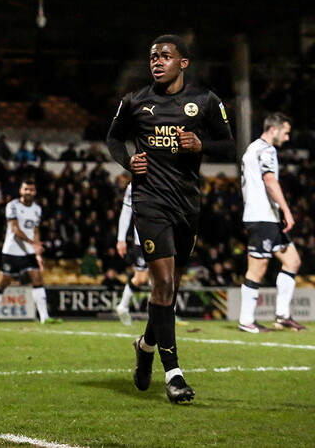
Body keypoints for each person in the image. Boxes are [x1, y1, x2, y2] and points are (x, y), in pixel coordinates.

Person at [106, 34, 234, 404]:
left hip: (187, 205)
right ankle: (174, 375)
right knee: (161, 281)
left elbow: (229, 143)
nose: (157, 61)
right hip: (149, 202)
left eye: (165, 56)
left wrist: (201, 145)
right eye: (152, 57)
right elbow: (114, 139)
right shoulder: (135, 101)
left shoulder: (205, 101)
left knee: (169, 290)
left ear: (183, 63)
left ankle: (146, 346)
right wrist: (127, 161)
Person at [238, 113, 306, 333]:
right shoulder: (266, 149)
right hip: (261, 216)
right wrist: (287, 210)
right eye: (285, 132)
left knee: (292, 260)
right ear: (274, 129)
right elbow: (270, 180)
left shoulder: (253, 149)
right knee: (257, 268)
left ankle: (282, 315)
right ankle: (246, 320)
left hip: (268, 216)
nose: (287, 138)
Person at [0, 178, 58, 325]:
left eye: (31, 189)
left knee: (37, 278)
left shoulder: (37, 209)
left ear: (35, 192)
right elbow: (15, 229)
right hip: (12, 250)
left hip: (28, 251)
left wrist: (37, 252)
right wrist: (32, 243)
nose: (29, 192)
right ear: (20, 191)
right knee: (3, 282)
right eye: (26, 189)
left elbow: (35, 230)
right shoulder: (13, 206)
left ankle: (44, 317)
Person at [114, 183, 150, 326]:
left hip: (162, 237)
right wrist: (121, 239)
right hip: (142, 240)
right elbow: (126, 210)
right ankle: (122, 306)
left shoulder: (166, 178)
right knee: (141, 278)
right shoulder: (134, 185)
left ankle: (168, 313)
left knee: (162, 276)